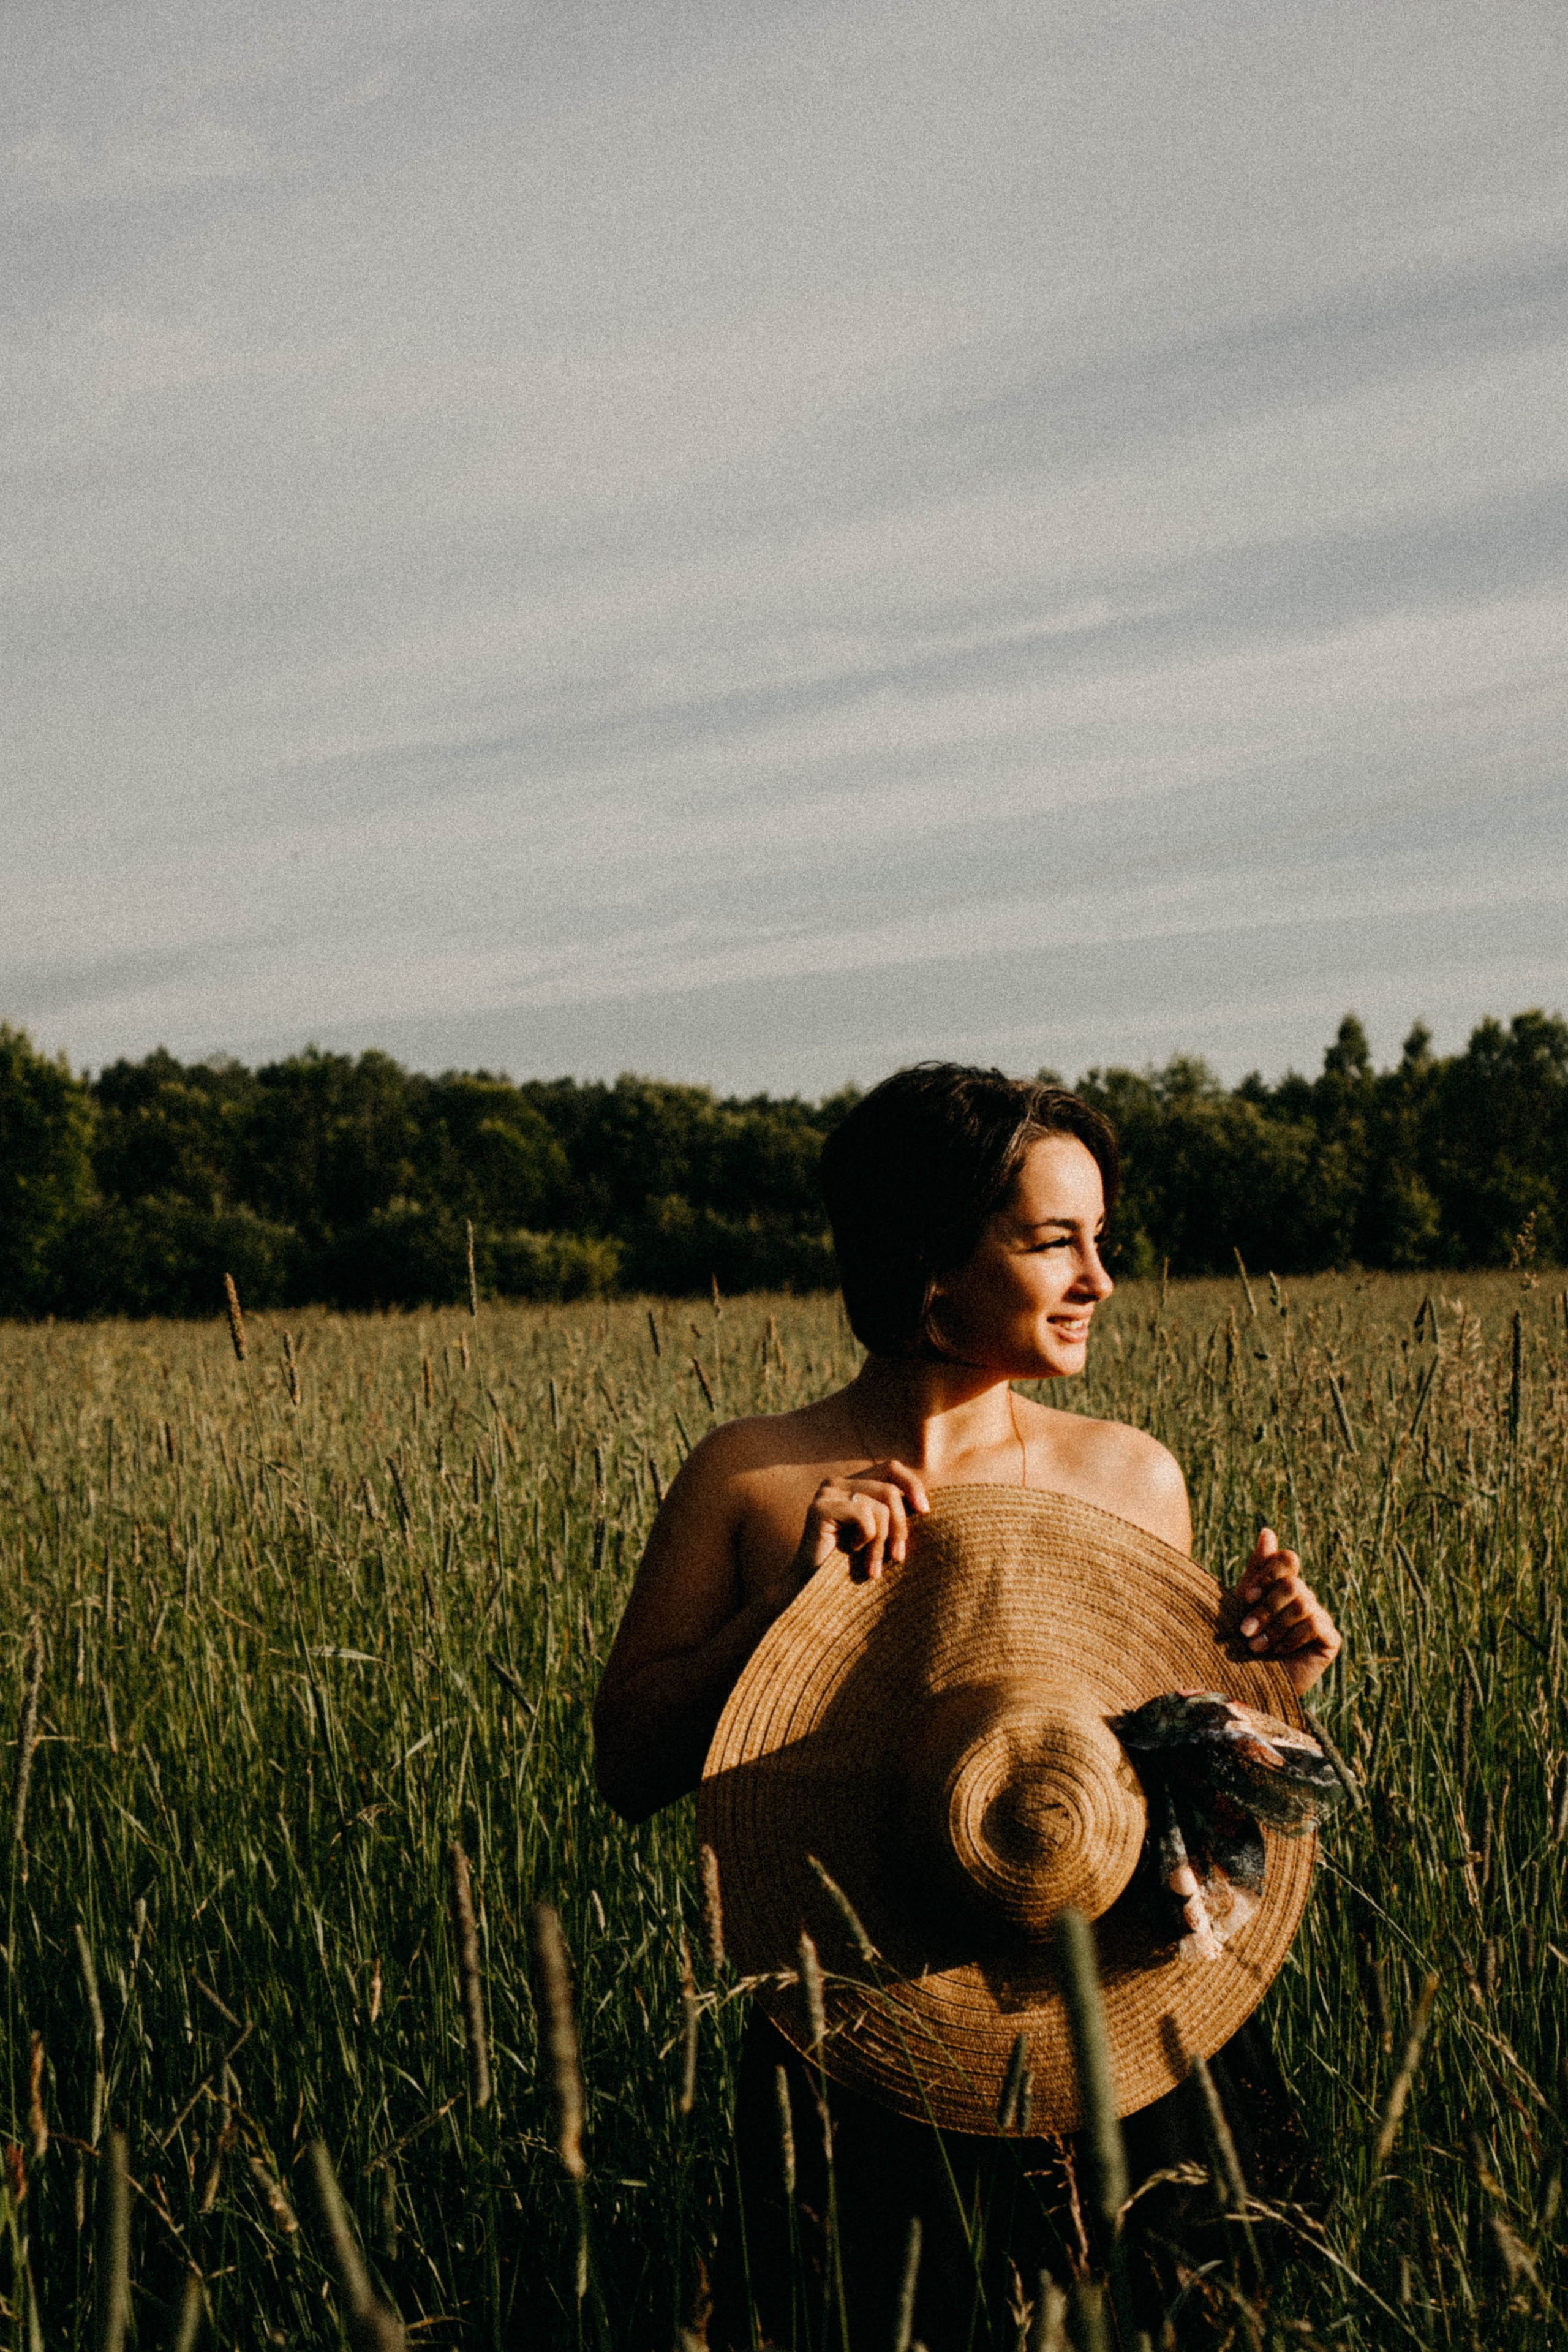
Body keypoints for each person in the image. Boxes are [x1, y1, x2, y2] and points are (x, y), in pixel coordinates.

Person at [592, 1064, 1342, 2345]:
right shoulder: (752, 1478)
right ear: (929, 1257)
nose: (1097, 1279)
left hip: (1120, 2019)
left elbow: (1166, 1792)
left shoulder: (1129, 1478)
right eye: (1054, 1241)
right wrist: (780, 1614)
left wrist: (1274, 1683)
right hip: (864, 2029)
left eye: (1097, 1240)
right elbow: (629, 1764)